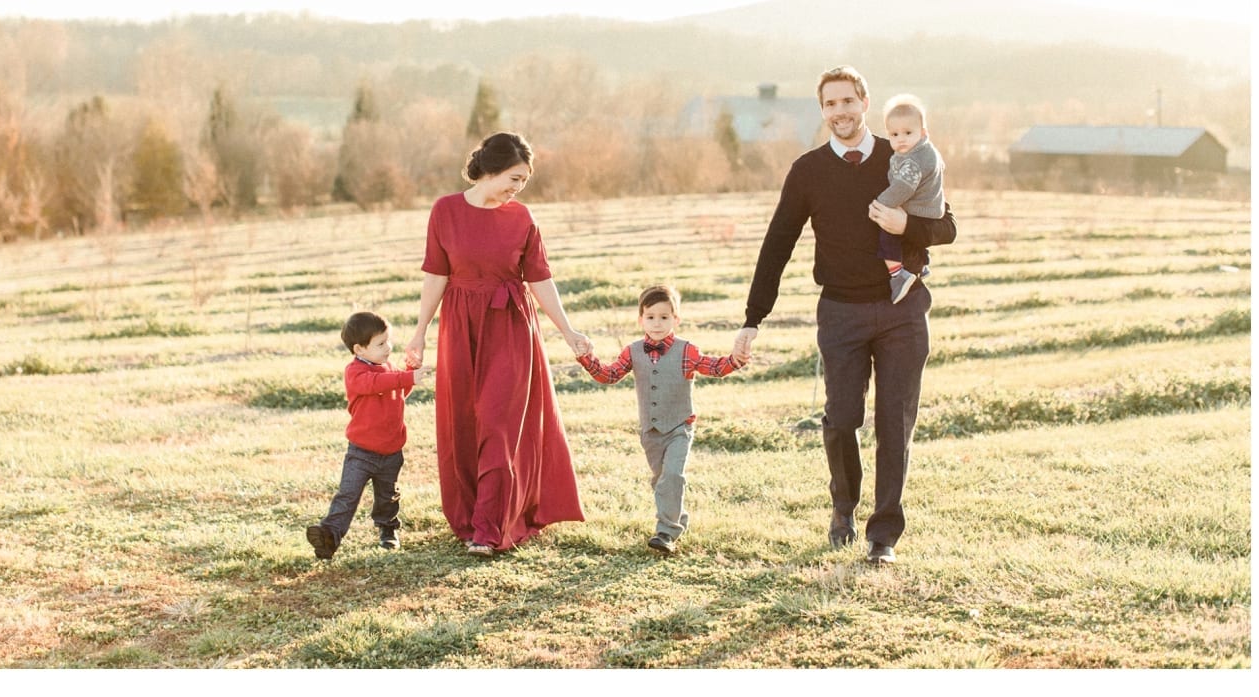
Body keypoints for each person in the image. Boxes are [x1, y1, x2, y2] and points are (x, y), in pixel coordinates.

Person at [731, 65, 957, 565]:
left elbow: (947, 227)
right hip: (840, 313)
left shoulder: (900, 153)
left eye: (848, 102)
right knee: (841, 419)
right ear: (822, 111)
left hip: (902, 310)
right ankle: (844, 508)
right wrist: (754, 317)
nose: (840, 112)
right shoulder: (808, 170)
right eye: (830, 104)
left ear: (864, 102)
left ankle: (884, 536)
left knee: (894, 421)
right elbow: (777, 245)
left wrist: (907, 224)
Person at [405, 132, 589, 557]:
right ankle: (472, 517)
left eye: (523, 181)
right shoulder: (445, 211)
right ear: (489, 170)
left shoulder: (523, 219)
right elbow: (436, 274)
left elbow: (540, 279)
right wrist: (420, 331)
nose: (517, 188)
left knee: (499, 424)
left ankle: (490, 528)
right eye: (513, 178)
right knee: (466, 424)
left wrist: (568, 330)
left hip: (509, 328)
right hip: (460, 326)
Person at [575, 284, 746, 555]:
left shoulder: (686, 350)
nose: (657, 323)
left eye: (664, 317)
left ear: (676, 320)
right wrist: (587, 357)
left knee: (673, 475)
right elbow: (608, 375)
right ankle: (677, 518)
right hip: (650, 431)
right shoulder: (632, 351)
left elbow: (713, 367)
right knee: (661, 480)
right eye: (651, 316)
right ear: (640, 319)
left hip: (680, 425)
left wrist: (735, 360)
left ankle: (665, 532)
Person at [306, 311, 431, 560]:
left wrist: (409, 371)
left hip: (391, 450)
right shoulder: (355, 372)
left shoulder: (389, 369)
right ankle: (329, 535)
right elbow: (375, 384)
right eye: (381, 344)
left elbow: (398, 390)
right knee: (348, 493)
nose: (389, 347)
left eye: (389, 341)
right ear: (359, 349)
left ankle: (388, 531)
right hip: (361, 452)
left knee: (388, 496)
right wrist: (405, 377)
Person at [873, 95, 947, 304]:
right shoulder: (927, 151)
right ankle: (921, 265)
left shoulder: (914, 160)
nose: (901, 139)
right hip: (929, 209)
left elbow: (902, 188)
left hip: (919, 211)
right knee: (912, 239)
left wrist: (880, 205)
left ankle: (898, 275)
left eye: (908, 133)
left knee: (888, 234)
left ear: (923, 133)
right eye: (894, 134)